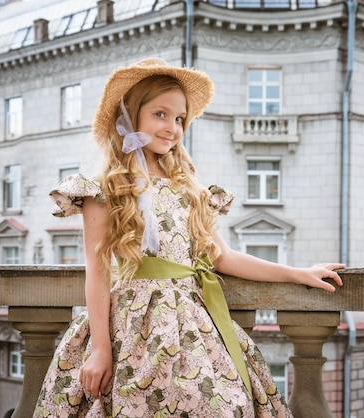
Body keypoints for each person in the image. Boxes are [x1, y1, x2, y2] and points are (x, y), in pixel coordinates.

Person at [33, 57, 344, 418]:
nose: (173, 127)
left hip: (194, 325)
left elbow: (223, 257)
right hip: (134, 330)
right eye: (160, 114)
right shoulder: (104, 191)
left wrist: (297, 273)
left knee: (223, 405)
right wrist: (101, 347)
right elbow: (98, 272)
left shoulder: (192, 190)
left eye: (180, 118)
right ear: (130, 116)